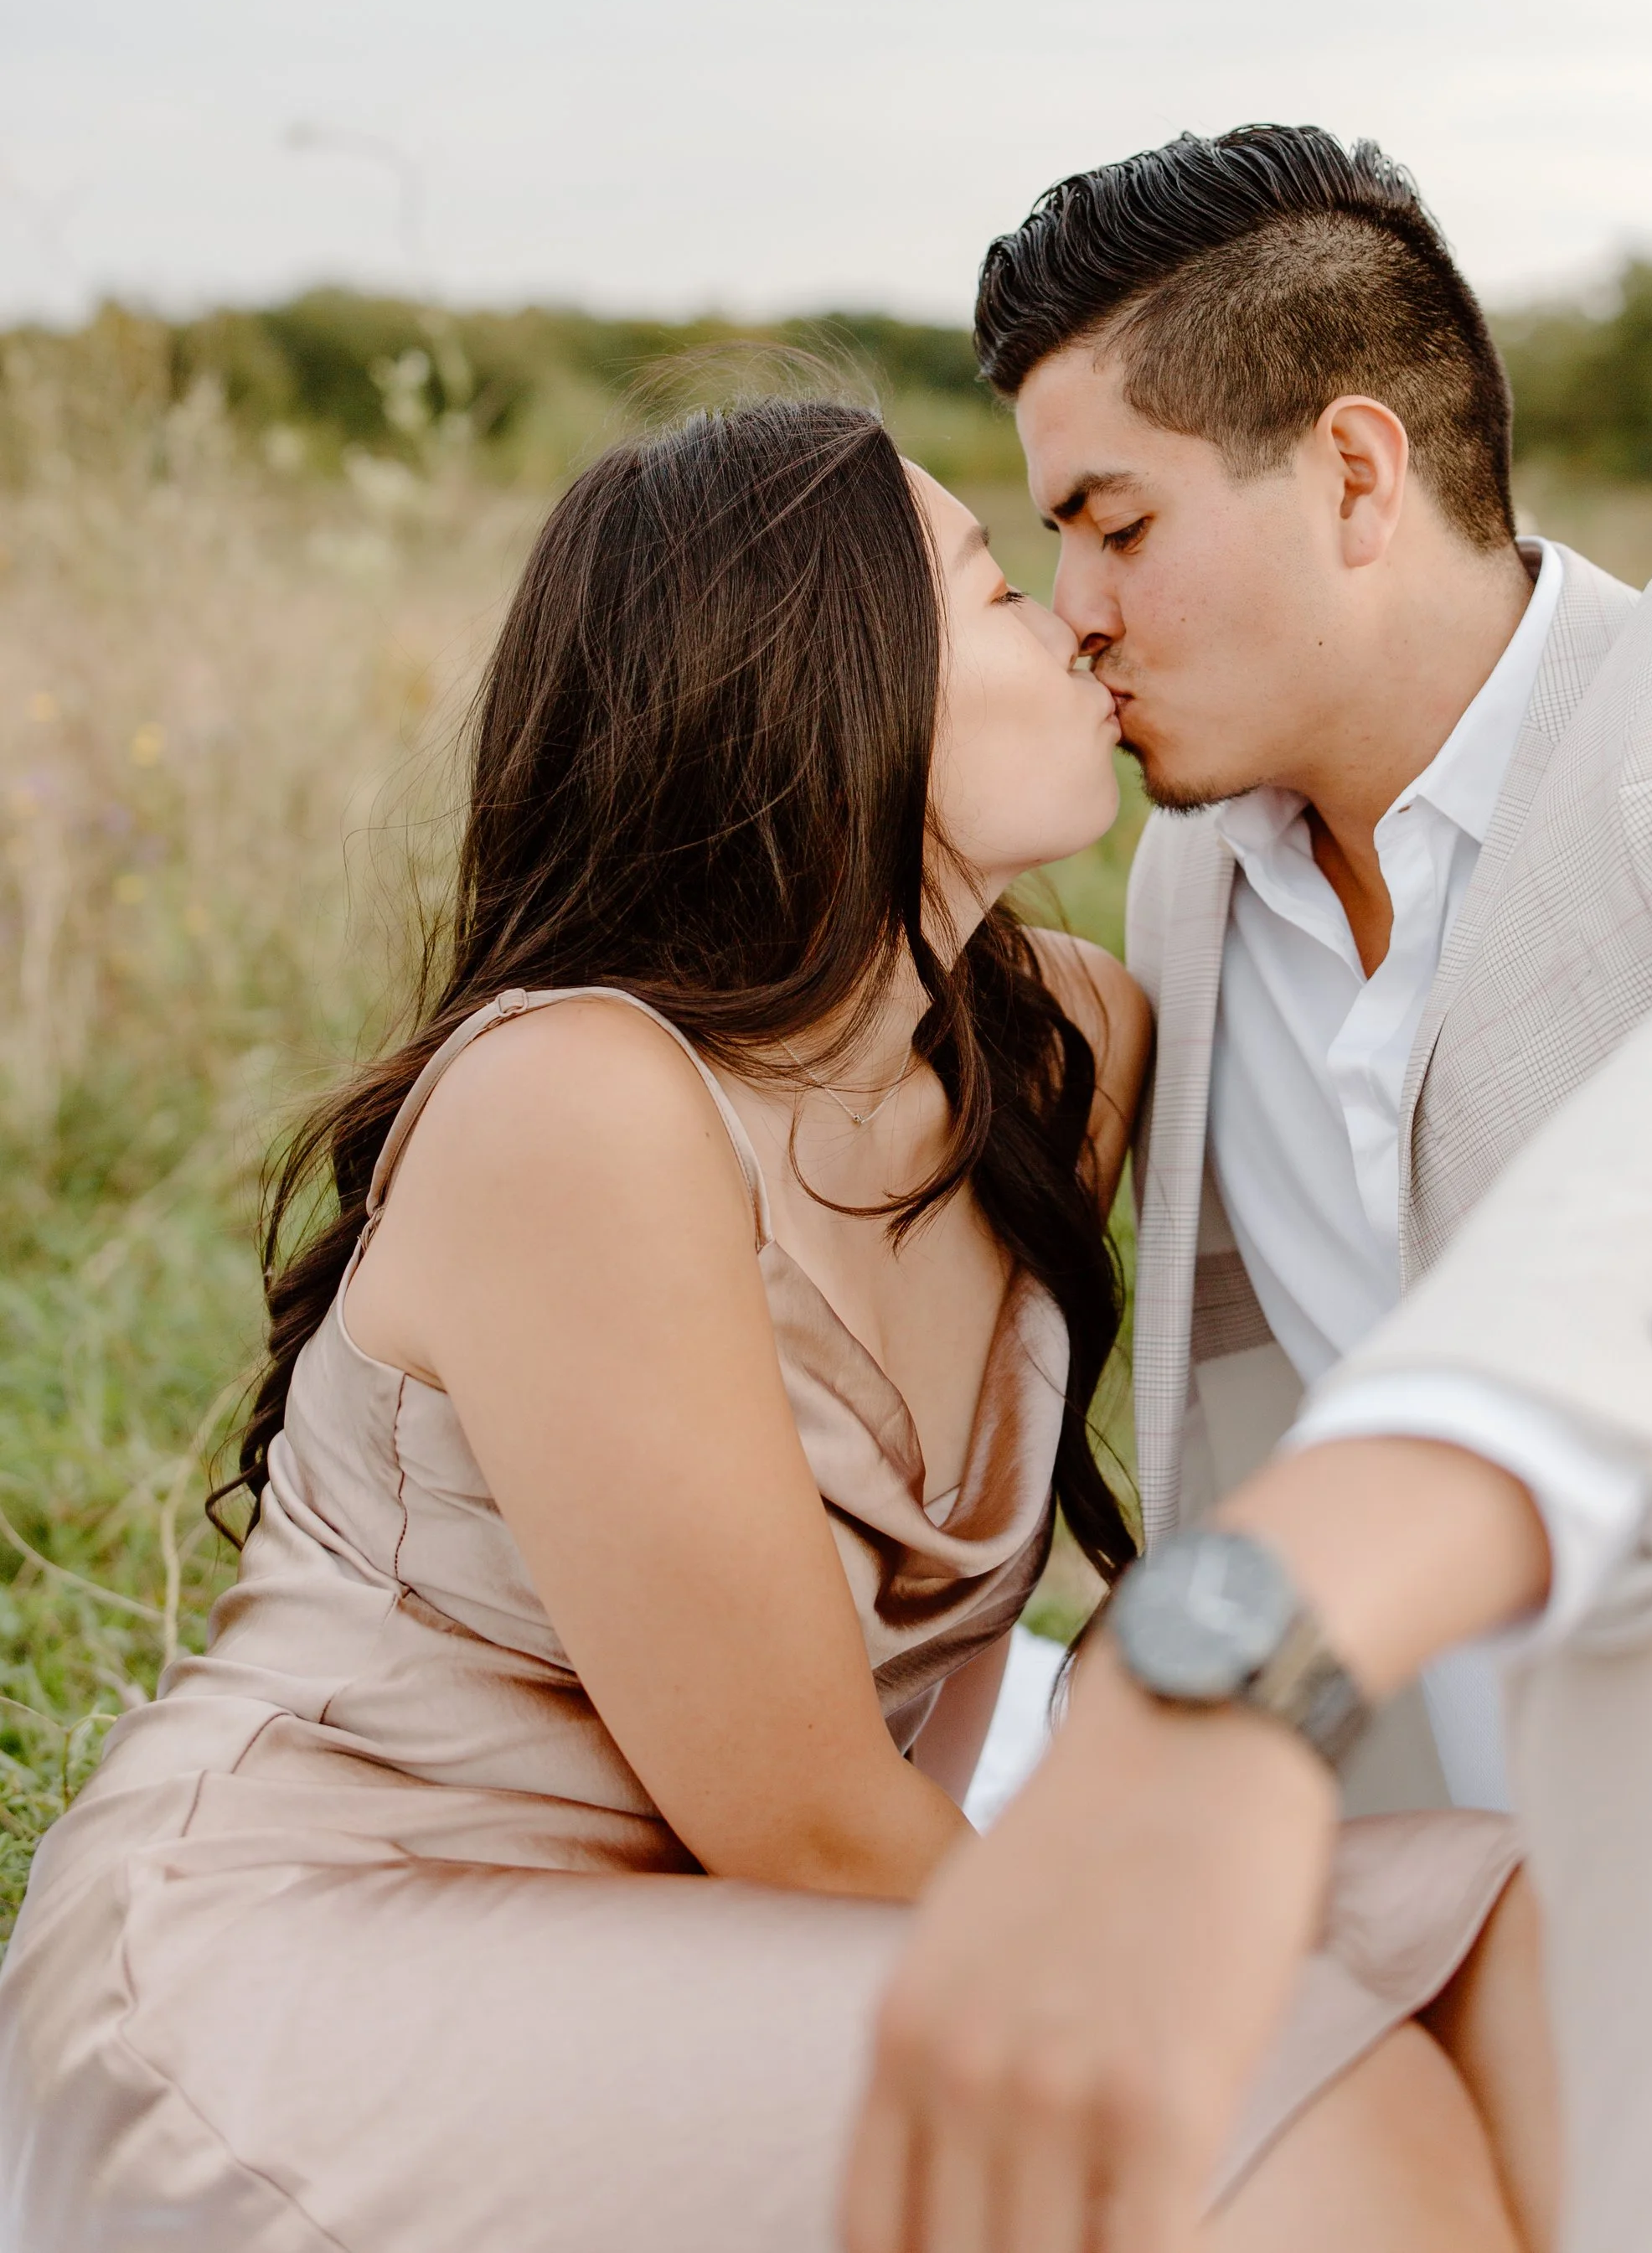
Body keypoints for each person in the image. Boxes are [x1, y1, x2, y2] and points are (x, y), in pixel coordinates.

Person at [0, 389, 1545, 2253]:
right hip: (330, 1946)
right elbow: (807, 1821)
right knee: (1284, 2073)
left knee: (1528, 1929)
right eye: (992, 587)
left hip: (728, 1950)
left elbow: (1015, 1675)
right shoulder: (581, 1102)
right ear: (830, 692)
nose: (1073, 621)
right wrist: (1165, 1938)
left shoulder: (1061, 1055)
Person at [845, 126, 1652, 2253]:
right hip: (1506, 1909)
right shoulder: (1184, 891)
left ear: (1352, 474)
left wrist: (1249, 1654)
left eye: (1113, 522)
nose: (1076, 613)